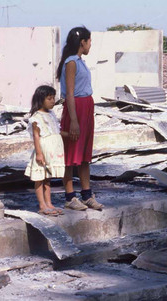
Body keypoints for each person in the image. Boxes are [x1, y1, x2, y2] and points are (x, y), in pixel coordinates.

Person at [56, 26, 103, 211]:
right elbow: (69, 94)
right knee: (70, 154)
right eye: (89, 41)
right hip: (75, 109)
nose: (90, 45)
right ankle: (69, 196)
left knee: (84, 155)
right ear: (82, 42)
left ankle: (86, 194)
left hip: (86, 108)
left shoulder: (81, 61)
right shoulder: (71, 63)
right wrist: (74, 120)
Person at [25, 85, 66, 216]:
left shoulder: (52, 114)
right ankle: (42, 205)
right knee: (39, 178)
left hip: (52, 152)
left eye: (53, 98)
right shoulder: (36, 117)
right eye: (49, 98)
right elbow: (36, 136)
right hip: (42, 151)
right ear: (41, 99)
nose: (53, 101)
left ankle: (49, 203)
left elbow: (56, 131)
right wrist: (39, 153)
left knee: (48, 178)